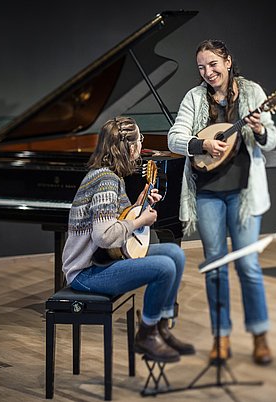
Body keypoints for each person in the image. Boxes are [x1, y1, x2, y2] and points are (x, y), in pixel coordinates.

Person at [168, 39, 276, 365]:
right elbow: (175, 137)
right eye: (201, 67)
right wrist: (202, 144)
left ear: (227, 61)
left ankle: (259, 335)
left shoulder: (253, 92)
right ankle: (221, 337)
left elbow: (270, 140)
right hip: (208, 194)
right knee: (215, 267)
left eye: (213, 64)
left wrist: (259, 130)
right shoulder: (194, 97)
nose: (208, 72)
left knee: (248, 266)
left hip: (244, 194)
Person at [62, 116, 195, 363]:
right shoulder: (105, 181)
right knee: (164, 267)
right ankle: (147, 333)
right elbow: (104, 236)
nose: (142, 144)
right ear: (130, 147)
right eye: (140, 140)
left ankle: (161, 328)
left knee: (175, 254)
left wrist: (139, 206)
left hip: (104, 262)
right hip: (86, 273)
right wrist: (140, 221)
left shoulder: (112, 177)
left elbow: (119, 221)